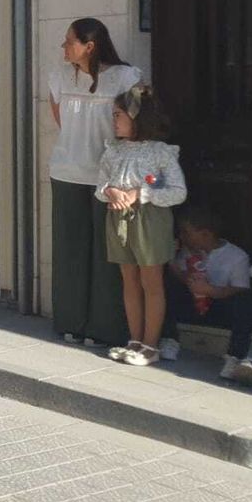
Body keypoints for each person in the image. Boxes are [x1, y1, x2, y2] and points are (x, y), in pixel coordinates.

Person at [49, 18, 142, 347]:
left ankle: (105, 327)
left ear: (90, 45)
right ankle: (70, 321)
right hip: (67, 172)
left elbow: (137, 119)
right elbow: (59, 118)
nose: (64, 47)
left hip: (111, 176)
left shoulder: (124, 76)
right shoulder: (59, 75)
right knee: (70, 249)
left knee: (108, 254)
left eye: (69, 41)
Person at [98, 85, 186, 367]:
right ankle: (134, 339)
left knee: (152, 282)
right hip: (118, 219)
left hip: (150, 220)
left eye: (119, 115)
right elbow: (101, 184)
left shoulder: (161, 153)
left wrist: (141, 194)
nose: (114, 121)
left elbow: (177, 191)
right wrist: (110, 191)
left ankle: (151, 344)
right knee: (129, 281)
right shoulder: (113, 151)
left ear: (137, 117)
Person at [160, 208, 252, 380]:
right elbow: (182, 279)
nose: (182, 237)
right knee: (167, 283)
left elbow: (241, 289)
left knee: (243, 301)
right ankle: (169, 339)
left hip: (219, 306)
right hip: (192, 305)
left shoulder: (237, 256)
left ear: (205, 234)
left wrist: (210, 290)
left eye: (187, 233)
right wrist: (172, 262)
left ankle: (235, 356)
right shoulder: (188, 252)